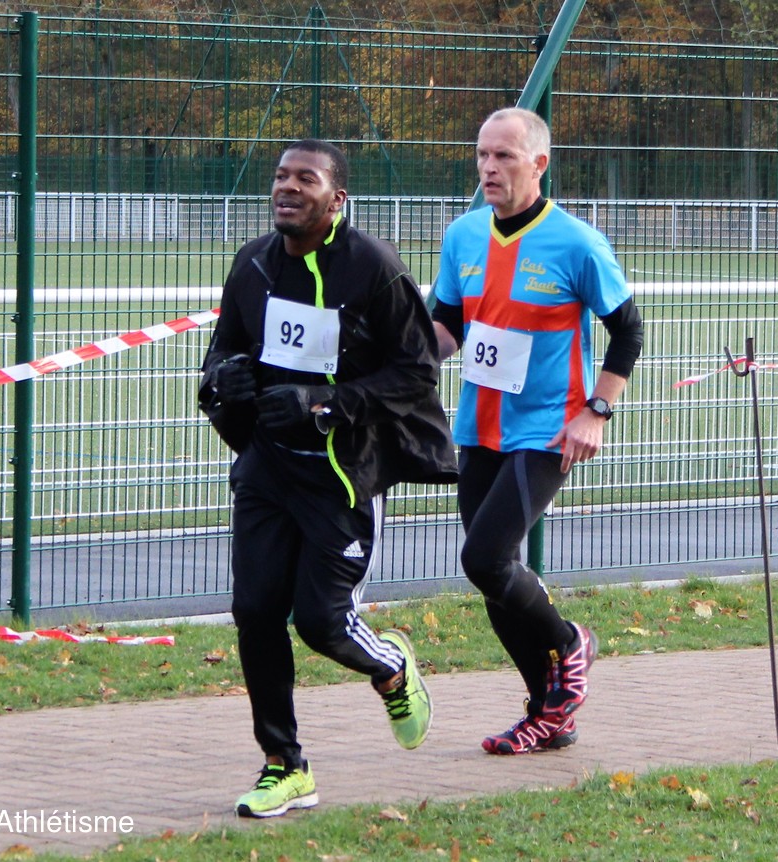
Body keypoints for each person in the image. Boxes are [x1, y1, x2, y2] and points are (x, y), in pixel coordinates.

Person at [198, 139, 457, 818]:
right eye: (281, 176)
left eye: (305, 179)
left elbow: (416, 372)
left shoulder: (374, 268)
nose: (286, 187)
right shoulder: (253, 263)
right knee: (255, 612)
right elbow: (223, 349)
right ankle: (284, 766)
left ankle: (390, 666)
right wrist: (224, 378)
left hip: (342, 476)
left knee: (321, 622)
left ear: (337, 198)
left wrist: (325, 404)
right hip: (266, 469)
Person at [430, 108, 644, 755]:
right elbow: (447, 327)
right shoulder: (464, 235)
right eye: (482, 155)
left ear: (539, 164)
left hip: (550, 431)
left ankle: (570, 641)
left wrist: (596, 411)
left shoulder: (577, 244)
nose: (489, 168)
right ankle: (548, 713)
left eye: (504, 156)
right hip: (479, 428)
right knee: (493, 576)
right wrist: (400, 359)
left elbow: (629, 331)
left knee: (484, 558)